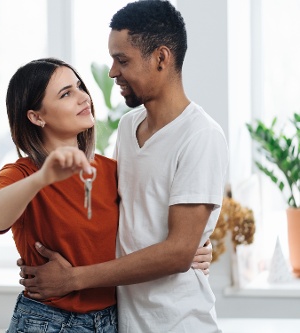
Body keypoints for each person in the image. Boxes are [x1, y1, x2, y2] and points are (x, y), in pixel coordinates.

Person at [18, 1, 229, 333]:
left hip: (180, 323)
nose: (113, 71)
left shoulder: (201, 136)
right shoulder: (129, 126)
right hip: (124, 321)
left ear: (161, 58)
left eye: (122, 60)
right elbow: (126, 216)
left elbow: (176, 252)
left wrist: (74, 279)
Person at [0, 57, 213, 332]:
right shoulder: (22, 174)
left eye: (79, 87)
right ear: (36, 116)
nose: (84, 98)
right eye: (66, 94)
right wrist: (43, 177)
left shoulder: (112, 172)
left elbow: (145, 223)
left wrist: (193, 249)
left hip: (112, 320)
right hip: (47, 321)